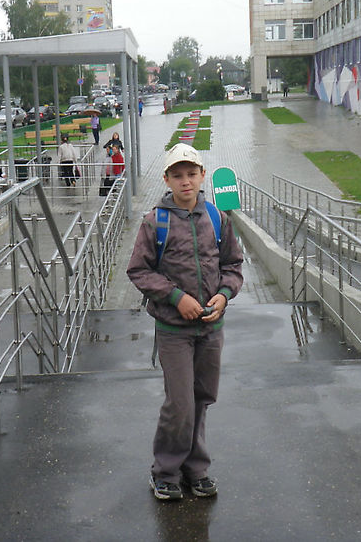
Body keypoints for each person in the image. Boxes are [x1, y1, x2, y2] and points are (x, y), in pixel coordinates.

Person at [126, 143, 243, 502]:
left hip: (210, 329)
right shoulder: (154, 222)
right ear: (166, 179)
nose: (185, 181)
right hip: (174, 330)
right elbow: (138, 270)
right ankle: (165, 471)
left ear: (202, 175)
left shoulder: (217, 218)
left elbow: (233, 265)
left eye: (191, 173)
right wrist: (177, 298)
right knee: (179, 403)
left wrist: (224, 294)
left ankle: (196, 469)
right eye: (177, 175)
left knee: (201, 398)